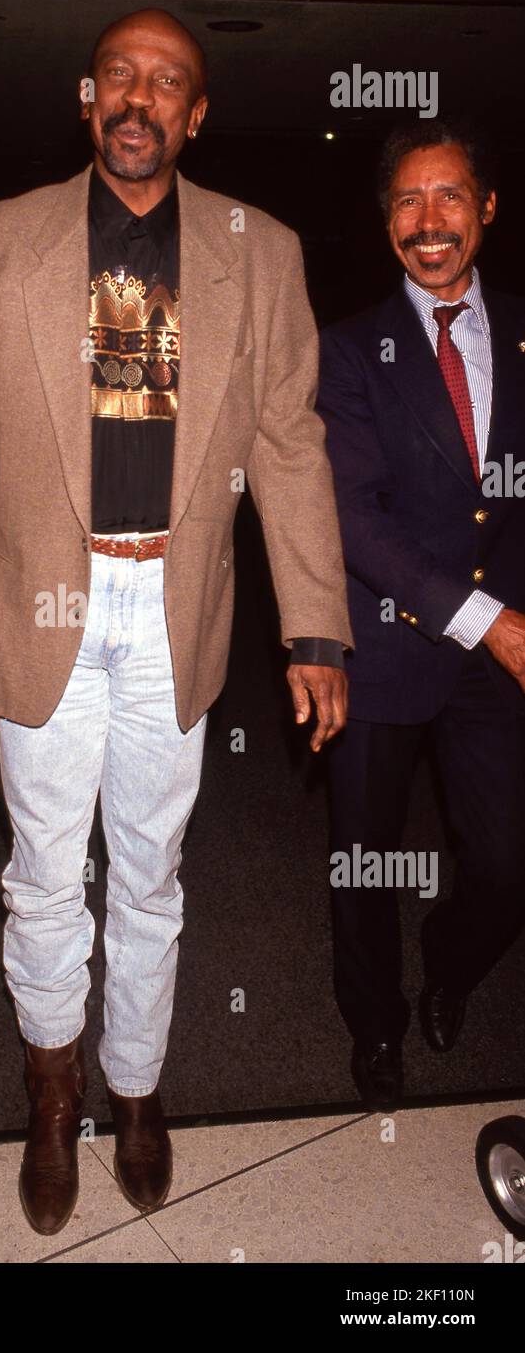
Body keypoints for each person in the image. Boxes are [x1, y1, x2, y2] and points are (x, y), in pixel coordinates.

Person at [0, 9, 351, 1235]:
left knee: (150, 875)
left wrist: (315, 625)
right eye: (120, 75)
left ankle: (138, 1090)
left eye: (168, 81)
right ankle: (52, 1097)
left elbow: (289, 444)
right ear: (86, 94)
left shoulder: (259, 251)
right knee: (47, 875)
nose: (139, 97)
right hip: (41, 602)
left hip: (176, 603)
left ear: (196, 114)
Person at [316, 120, 525, 1111]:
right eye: (407, 200)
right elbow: (354, 519)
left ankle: (449, 966)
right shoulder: (351, 349)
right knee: (366, 859)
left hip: (498, 661)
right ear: (384, 219)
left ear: (487, 208)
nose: (428, 221)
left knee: (508, 859)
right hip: (389, 646)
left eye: (449, 197)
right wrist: (488, 618)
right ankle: (377, 1027)